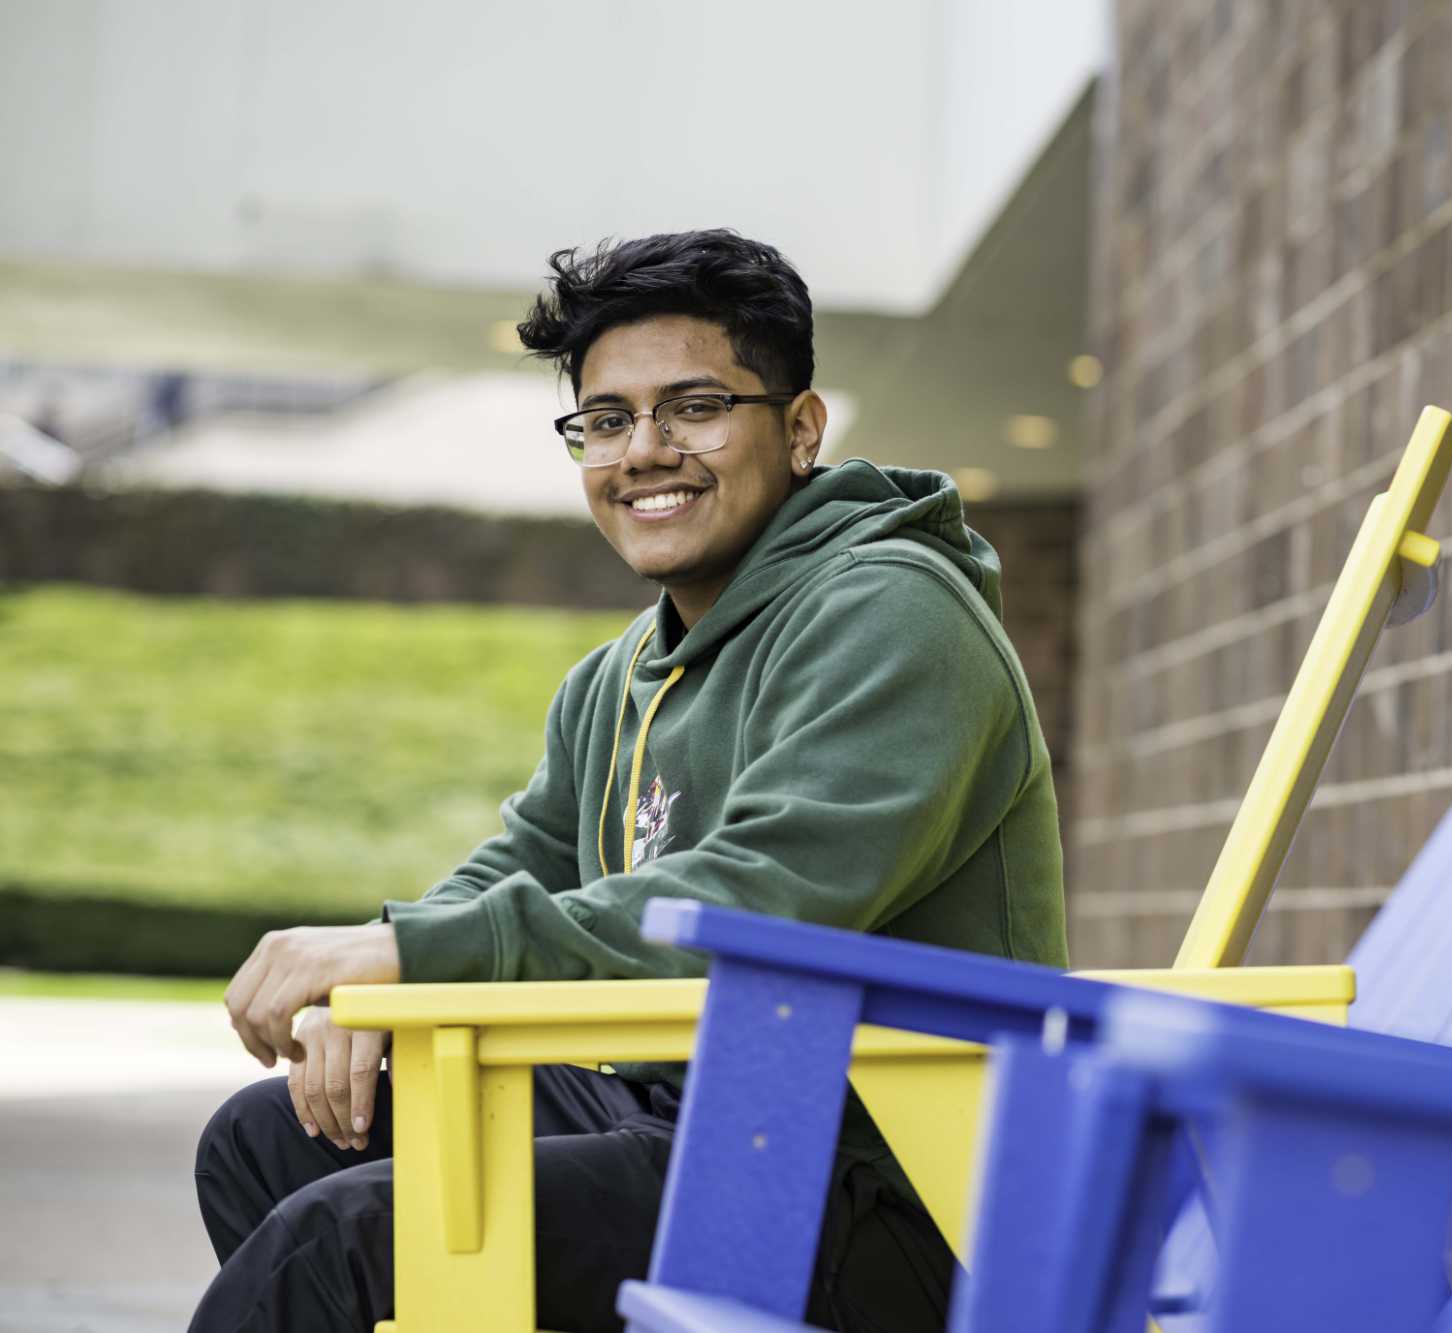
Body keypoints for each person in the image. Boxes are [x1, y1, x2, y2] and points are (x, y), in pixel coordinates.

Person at [190, 229, 1067, 1333]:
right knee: (275, 1134)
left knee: (343, 1241)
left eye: (694, 407)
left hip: (894, 1179)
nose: (643, 450)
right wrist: (381, 984)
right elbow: (516, 870)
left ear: (800, 430)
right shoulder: (616, 678)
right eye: (605, 420)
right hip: (700, 1122)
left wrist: (409, 953)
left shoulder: (896, 614)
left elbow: (762, 899)